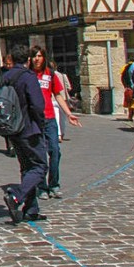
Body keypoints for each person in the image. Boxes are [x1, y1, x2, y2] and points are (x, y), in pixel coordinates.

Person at [0, 44, 49, 224]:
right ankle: (16, 197)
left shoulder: (6, 77)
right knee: (40, 166)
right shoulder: (28, 77)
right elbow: (37, 104)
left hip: (13, 129)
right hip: (29, 128)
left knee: (27, 168)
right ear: (28, 60)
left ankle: (31, 209)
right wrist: (41, 123)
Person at [28, 47, 80, 200]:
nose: (37, 59)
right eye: (34, 56)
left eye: (39, 56)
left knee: (55, 151)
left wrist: (69, 113)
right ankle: (41, 186)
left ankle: (54, 185)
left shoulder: (49, 75)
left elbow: (57, 95)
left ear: (44, 58)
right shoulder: (28, 75)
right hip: (34, 120)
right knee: (40, 155)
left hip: (50, 118)